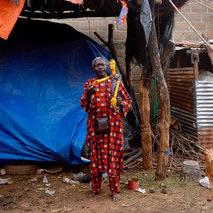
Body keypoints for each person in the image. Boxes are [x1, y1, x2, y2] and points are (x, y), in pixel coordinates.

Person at [80, 57, 132, 201]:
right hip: (95, 128)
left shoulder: (115, 82)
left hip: (113, 128)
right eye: (97, 65)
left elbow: (128, 101)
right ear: (93, 68)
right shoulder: (89, 84)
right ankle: (95, 189)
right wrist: (89, 94)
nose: (100, 67)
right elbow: (84, 105)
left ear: (107, 67)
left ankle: (115, 190)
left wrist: (121, 103)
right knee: (95, 157)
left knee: (113, 157)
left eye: (102, 64)